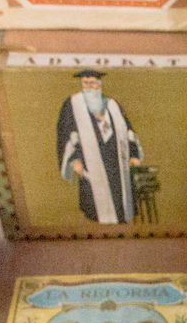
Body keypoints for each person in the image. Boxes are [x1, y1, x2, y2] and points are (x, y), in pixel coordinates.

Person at [57, 69, 144, 224]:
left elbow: (128, 130)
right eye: (85, 83)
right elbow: (65, 133)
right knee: (96, 212)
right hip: (91, 165)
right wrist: (74, 160)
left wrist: (133, 154)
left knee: (120, 205)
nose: (89, 87)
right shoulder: (72, 105)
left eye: (93, 83)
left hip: (117, 163)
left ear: (99, 84)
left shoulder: (112, 105)